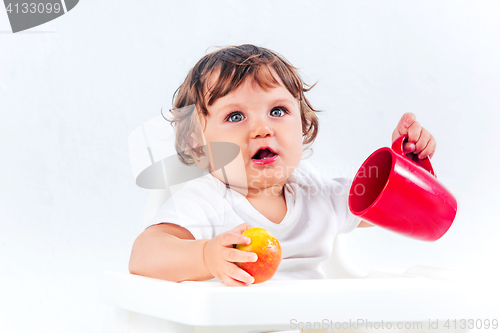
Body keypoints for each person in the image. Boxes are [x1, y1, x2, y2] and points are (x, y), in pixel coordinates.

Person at [128, 44, 436, 287]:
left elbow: (386, 207)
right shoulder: (207, 200)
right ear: (199, 146)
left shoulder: (318, 193)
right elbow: (144, 256)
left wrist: (407, 167)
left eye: (277, 110)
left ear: (302, 126)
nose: (262, 128)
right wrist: (207, 256)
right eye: (235, 116)